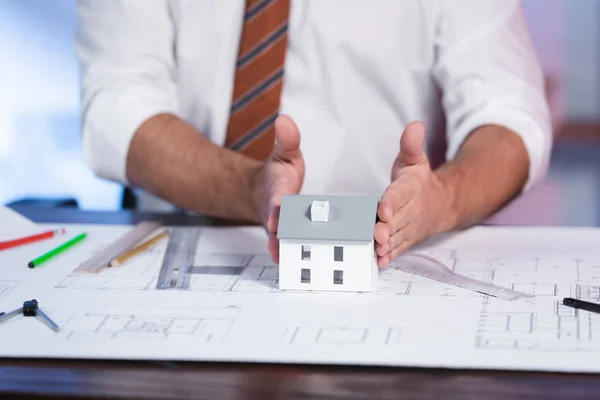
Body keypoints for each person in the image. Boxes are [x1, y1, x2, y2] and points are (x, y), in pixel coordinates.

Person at [75, 0, 552, 267]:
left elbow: (509, 112)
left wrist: (441, 199)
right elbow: (118, 102)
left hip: (384, 258)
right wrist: (248, 187)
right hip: (180, 248)